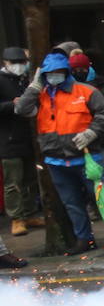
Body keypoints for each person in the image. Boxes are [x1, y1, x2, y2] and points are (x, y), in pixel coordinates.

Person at [15, 52, 104, 253]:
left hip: (87, 158)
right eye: (50, 73)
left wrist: (91, 132)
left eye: (59, 72)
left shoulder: (85, 91)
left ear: (66, 72)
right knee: (72, 203)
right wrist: (33, 87)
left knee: (103, 198)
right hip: (56, 160)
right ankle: (84, 239)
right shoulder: (40, 94)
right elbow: (21, 110)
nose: (54, 76)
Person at [66, 52, 104, 206]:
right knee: (89, 176)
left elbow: (103, 103)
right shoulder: (67, 89)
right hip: (79, 140)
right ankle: (95, 204)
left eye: (82, 69)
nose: (79, 72)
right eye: (75, 69)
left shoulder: (102, 83)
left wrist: (83, 90)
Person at [1, 46, 42, 238]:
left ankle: (30, 213)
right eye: (15, 63)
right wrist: (13, 104)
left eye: (22, 63)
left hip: (28, 136)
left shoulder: (25, 80)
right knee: (13, 182)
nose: (19, 66)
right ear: (5, 63)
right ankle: (17, 218)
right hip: (9, 139)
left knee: (30, 179)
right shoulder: (2, 81)